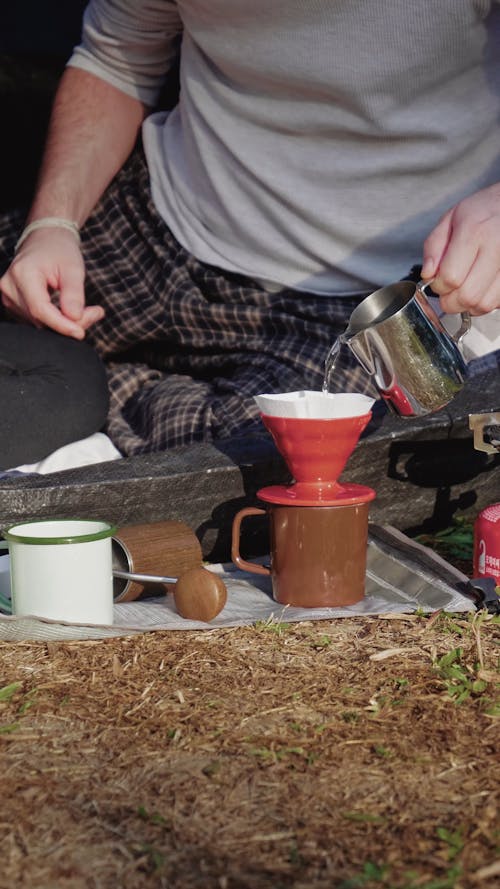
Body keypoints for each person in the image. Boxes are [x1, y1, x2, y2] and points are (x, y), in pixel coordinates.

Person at [0, 0, 499, 459]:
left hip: (361, 300)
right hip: (158, 225)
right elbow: (116, 56)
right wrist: (51, 225)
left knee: (264, 462)